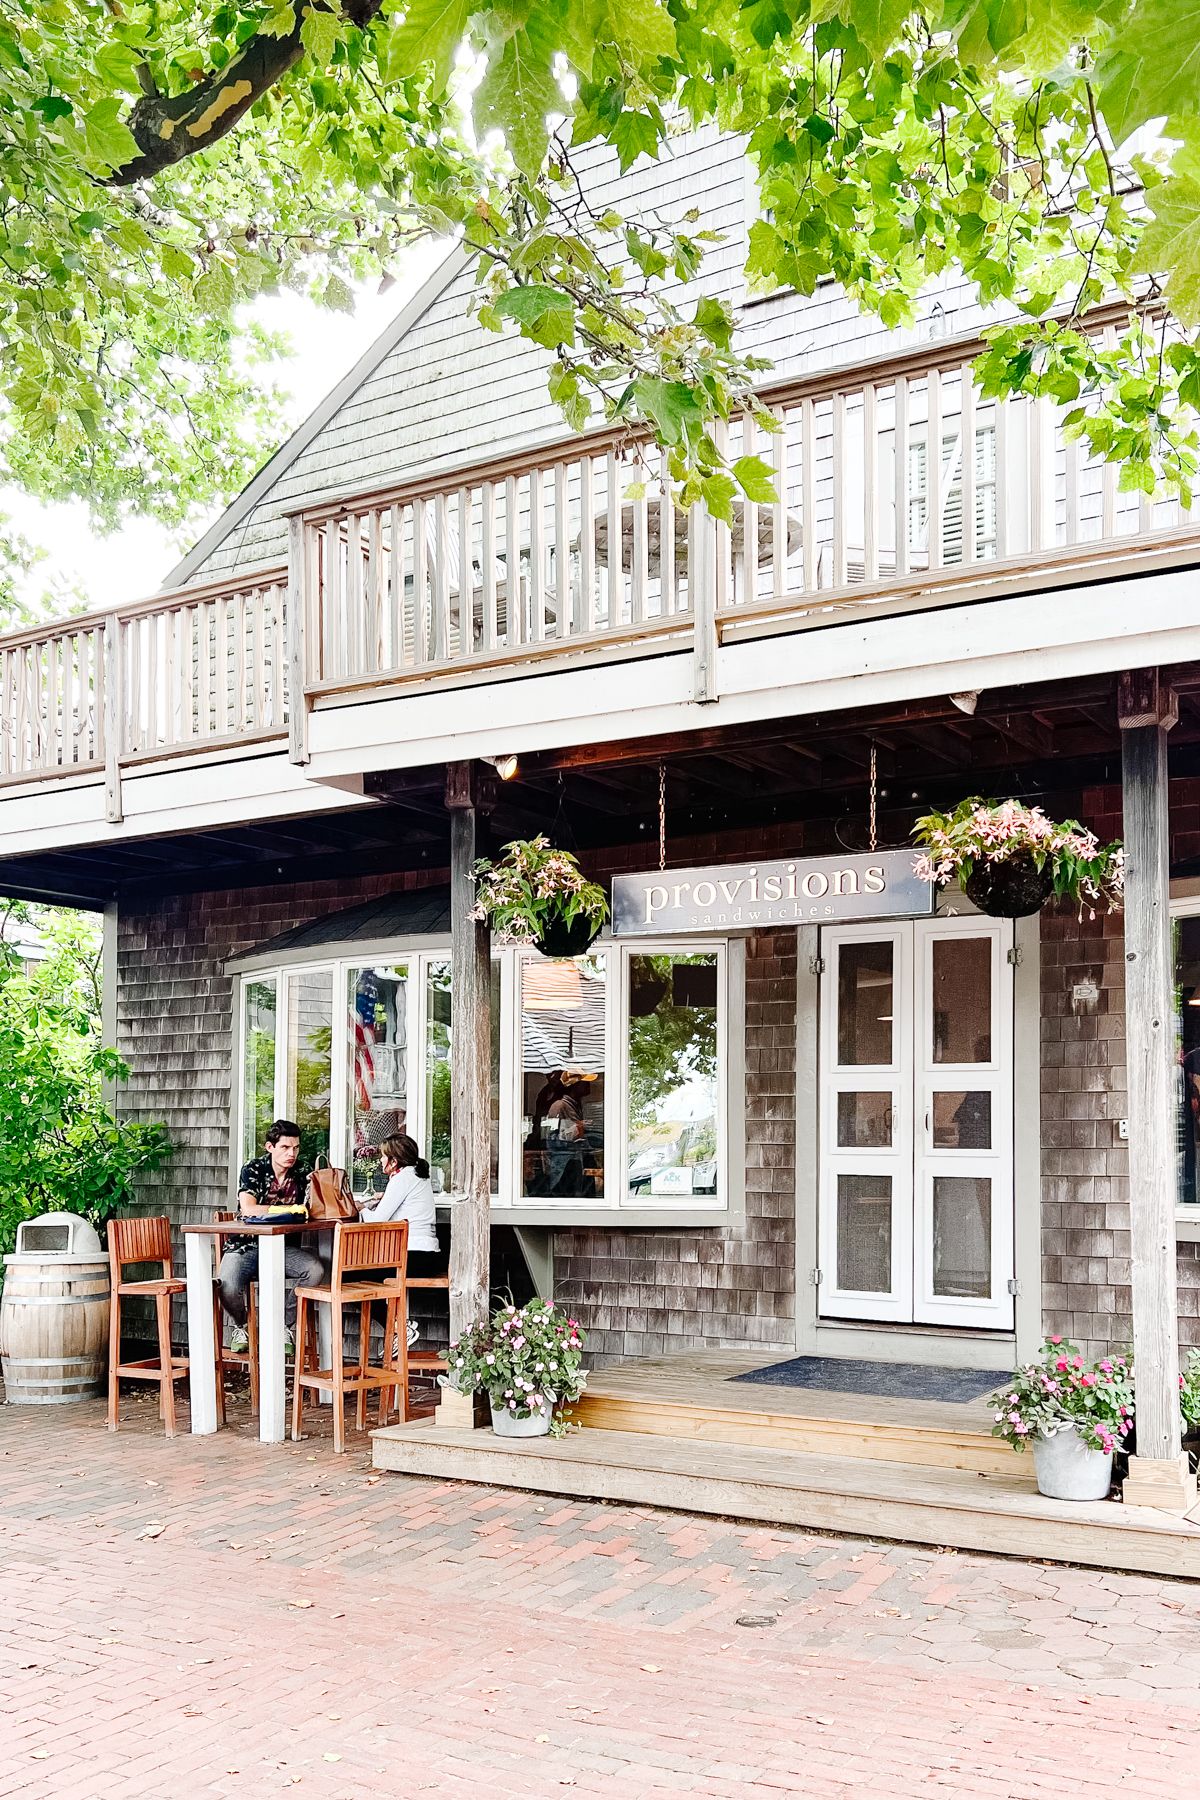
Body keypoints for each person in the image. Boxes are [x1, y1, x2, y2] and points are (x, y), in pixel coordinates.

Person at [219, 1119, 325, 1354]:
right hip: (246, 1245)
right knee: (226, 1283)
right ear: (270, 1147)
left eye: (295, 1148)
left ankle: (283, 1325)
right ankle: (241, 1325)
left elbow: (319, 1203)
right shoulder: (254, 1168)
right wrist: (286, 1210)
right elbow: (248, 1208)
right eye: (285, 1148)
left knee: (314, 1269)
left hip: (282, 1246)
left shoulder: (301, 1170)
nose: (291, 1153)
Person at [357, 1133, 443, 1279]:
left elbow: (377, 1220)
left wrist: (361, 1208)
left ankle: (385, 1302)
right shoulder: (416, 1174)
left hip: (413, 1257)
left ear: (394, 1161)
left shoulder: (402, 1178)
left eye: (383, 1156)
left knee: (354, 1272)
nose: (380, 1161)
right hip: (428, 1256)